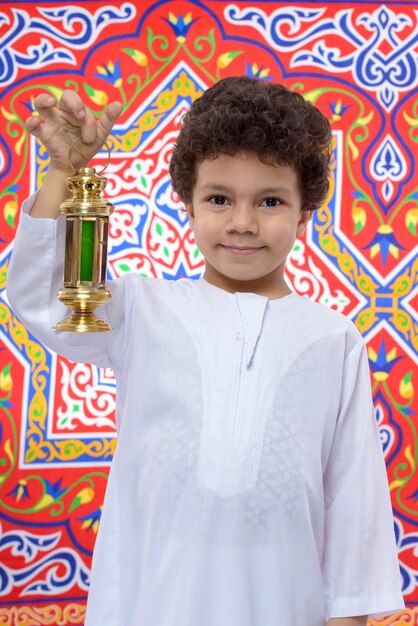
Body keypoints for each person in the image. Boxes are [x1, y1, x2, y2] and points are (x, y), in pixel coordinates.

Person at [6, 77, 404, 626]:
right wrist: (62, 172)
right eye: (219, 199)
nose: (242, 222)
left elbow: (354, 512)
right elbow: (42, 301)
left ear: (306, 210)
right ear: (187, 207)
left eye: (269, 200)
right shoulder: (141, 308)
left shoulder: (334, 341)